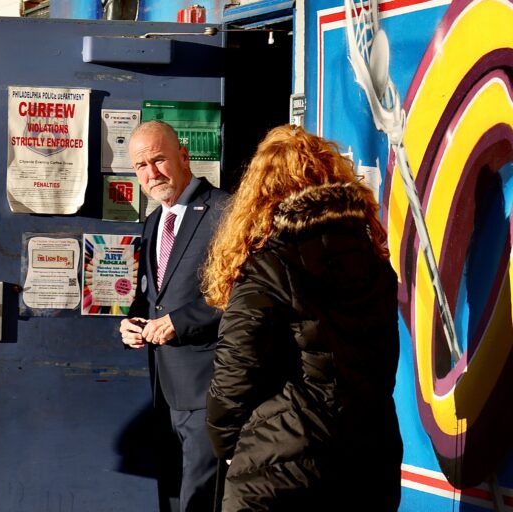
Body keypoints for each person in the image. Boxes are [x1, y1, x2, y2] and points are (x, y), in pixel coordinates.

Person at [202, 125, 403, 511]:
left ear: (259, 193)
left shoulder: (270, 265)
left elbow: (234, 377)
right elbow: (382, 365)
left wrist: (230, 446)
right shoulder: (374, 261)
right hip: (369, 456)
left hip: (280, 464)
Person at [120, 120, 229, 512]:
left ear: (183, 156)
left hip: (207, 385)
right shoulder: (152, 222)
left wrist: (180, 323)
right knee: (171, 495)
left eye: (159, 160)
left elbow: (240, 294)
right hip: (163, 388)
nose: (151, 174)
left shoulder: (224, 211)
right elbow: (152, 298)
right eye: (141, 166)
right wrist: (131, 321)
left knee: (199, 499)